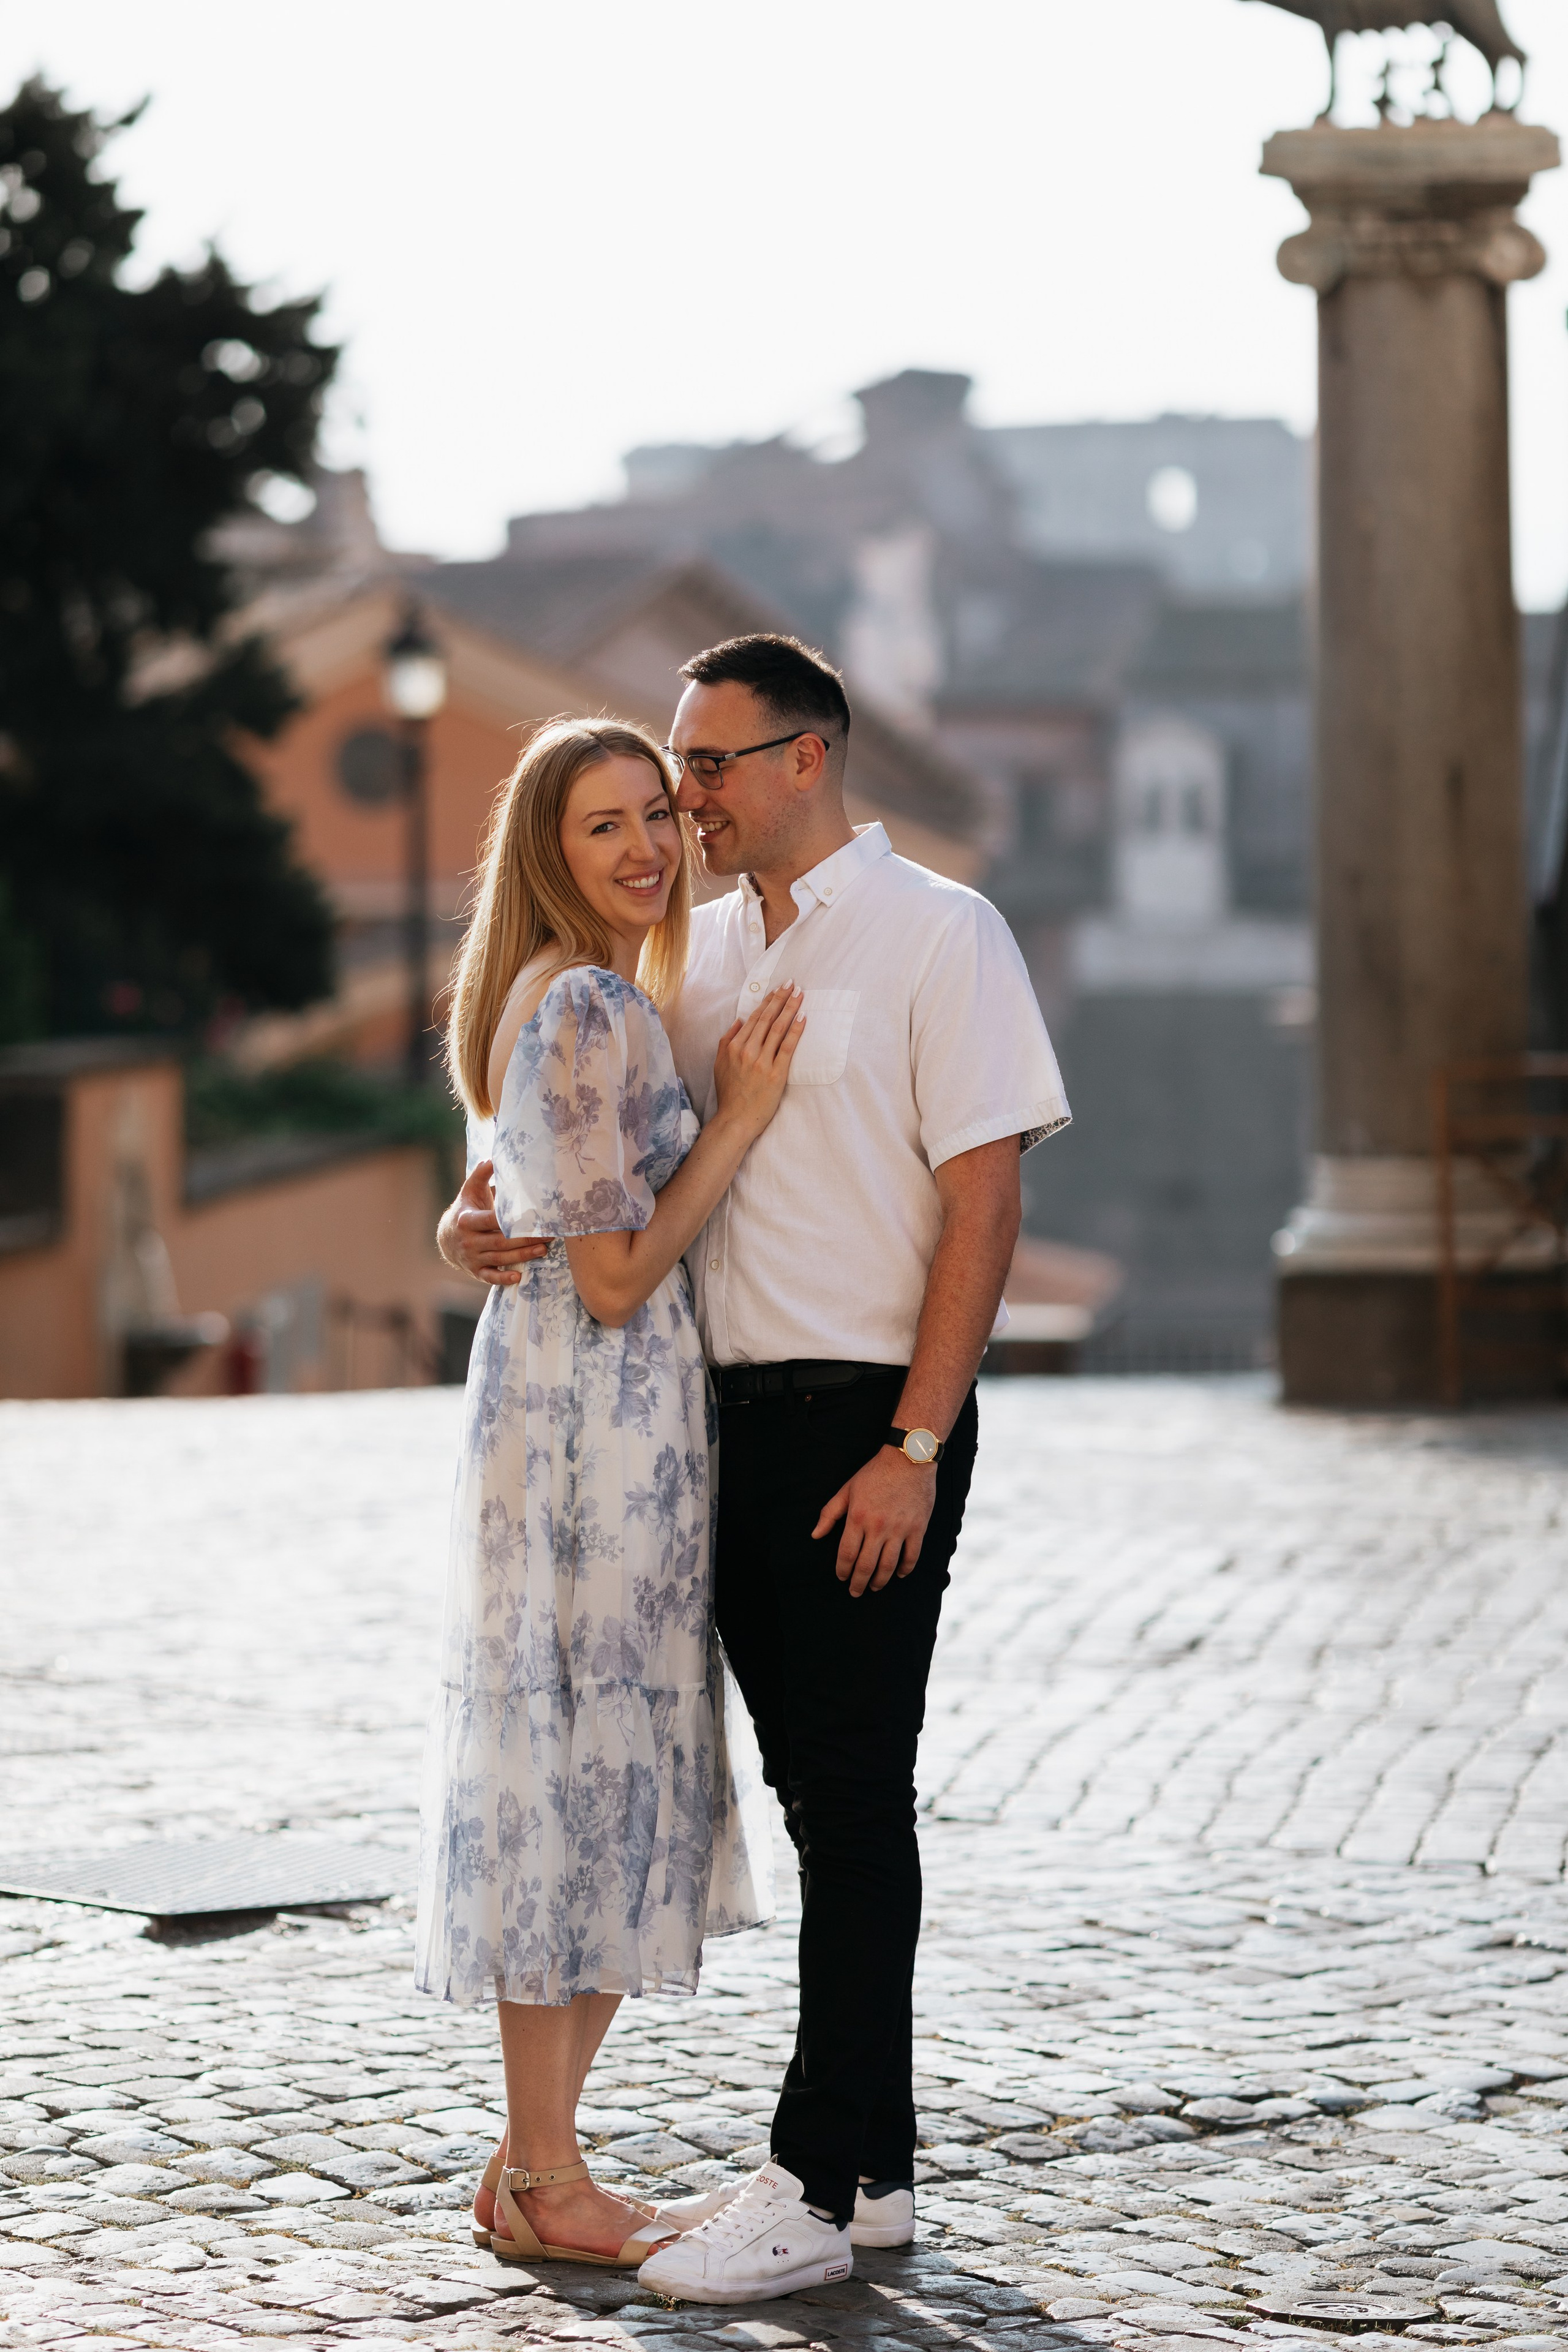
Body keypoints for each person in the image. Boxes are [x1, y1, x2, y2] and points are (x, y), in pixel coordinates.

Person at [441, 638, 1069, 2307]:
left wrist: (914, 1445)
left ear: (808, 757)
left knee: (851, 1797)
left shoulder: (944, 931)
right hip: (703, 1434)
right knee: (811, 1799)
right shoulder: (687, 950)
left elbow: (987, 1203)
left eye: (705, 770)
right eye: (664, 781)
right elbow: (573, 1136)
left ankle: (806, 2180)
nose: (683, 805)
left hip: (868, 1423)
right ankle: (874, 2171)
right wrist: (469, 1216)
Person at [419, 714, 801, 2274]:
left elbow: (510, 1208)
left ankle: (533, 2161)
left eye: (656, 812)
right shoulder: (584, 1001)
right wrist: (741, 1119)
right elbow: (619, 1276)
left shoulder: (565, 992)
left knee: (584, 1772)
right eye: (603, 826)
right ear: (546, 852)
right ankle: (546, 2170)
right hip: (594, 1441)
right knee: (580, 1783)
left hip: (575, 1426)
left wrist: (461, 1228)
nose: (647, 846)